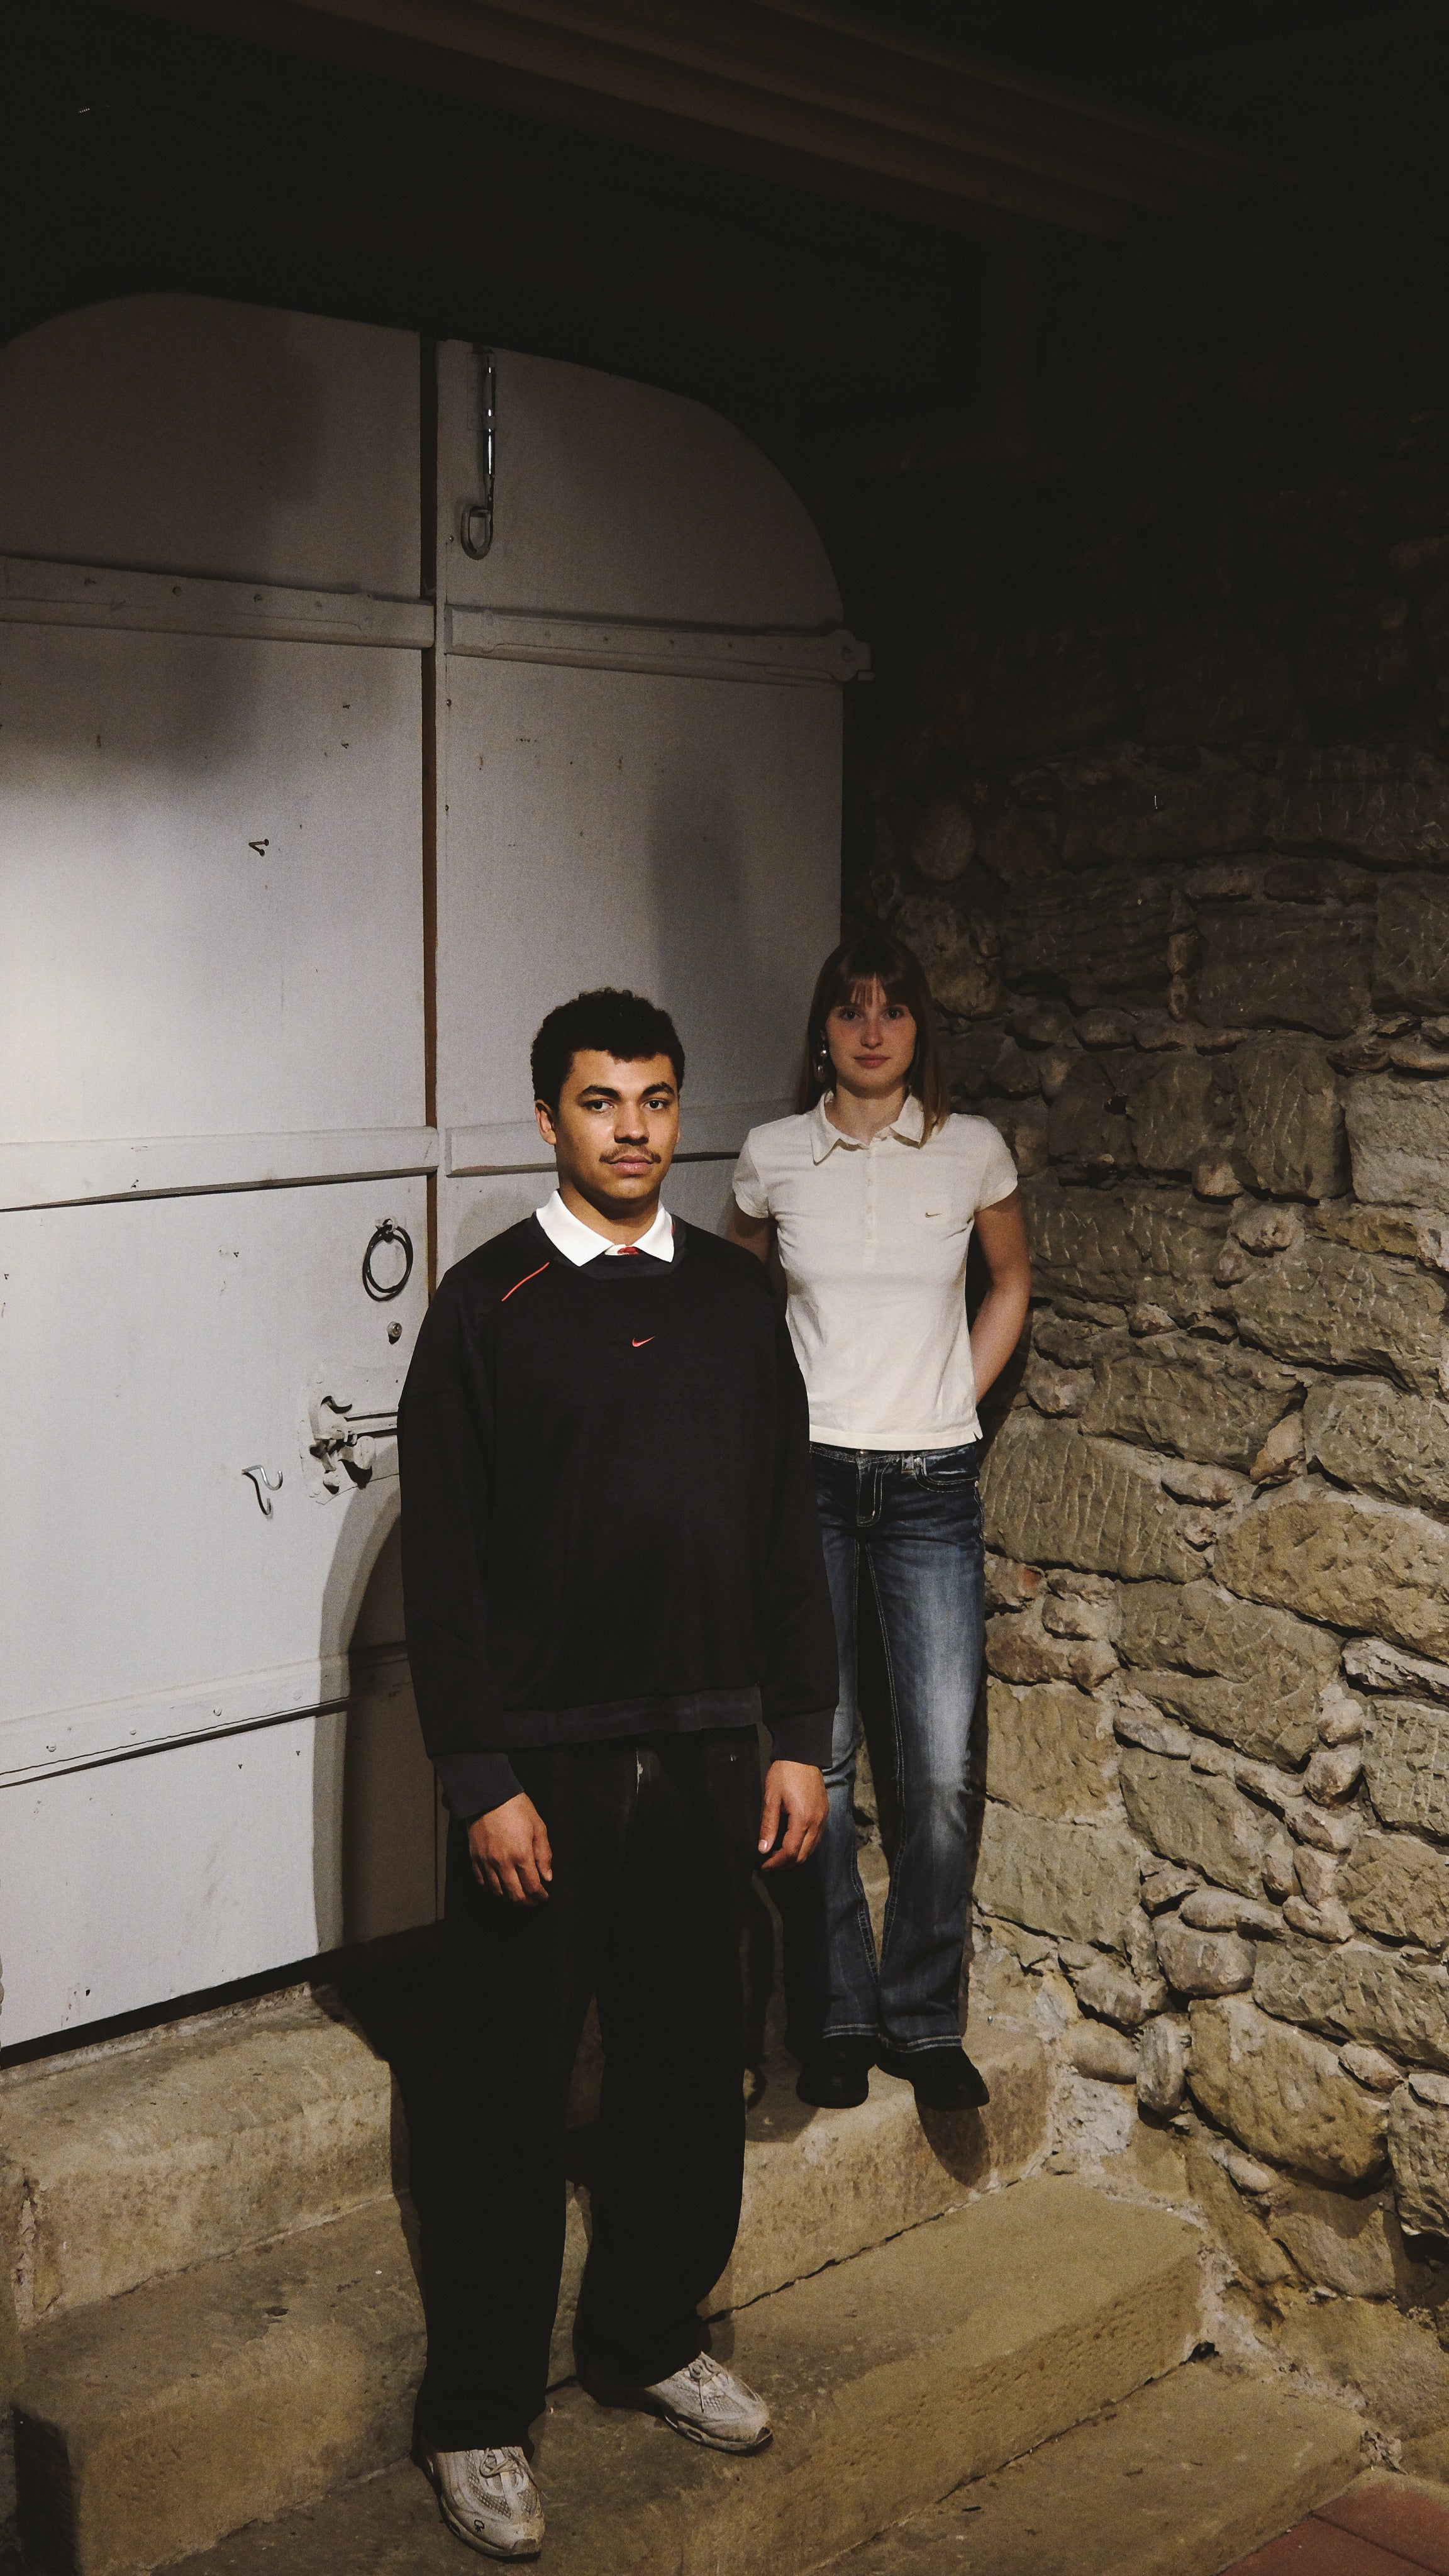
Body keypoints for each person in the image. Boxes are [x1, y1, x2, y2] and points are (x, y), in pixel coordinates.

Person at [397, 986, 835, 2560]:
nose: (633, 1127)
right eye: (601, 1100)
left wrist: (801, 1732)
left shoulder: (733, 1296)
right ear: (547, 1118)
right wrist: (480, 1775)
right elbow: (443, 1568)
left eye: (655, 1098)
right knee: (505, 2094)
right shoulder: (486, 1306)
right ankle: (476, 2412)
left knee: (686, 2069)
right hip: (549, 1773)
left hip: (715, 1752)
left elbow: (784, 1522)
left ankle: (648, 2334)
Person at [727, 931, 1031, 2116]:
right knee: (821, 1763)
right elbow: (734, 1302)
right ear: (823, 1028)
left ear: (918, 1031)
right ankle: (839, 2015)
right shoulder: (772, 1158)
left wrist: (959, 1392)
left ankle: (922, 2016)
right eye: (850, 1009)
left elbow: (1010, 1281)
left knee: (941, 1769)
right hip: (804, 1485)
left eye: (892, 1010)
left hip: (928, 1489)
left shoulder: (972, 1151)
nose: (871, 1029)